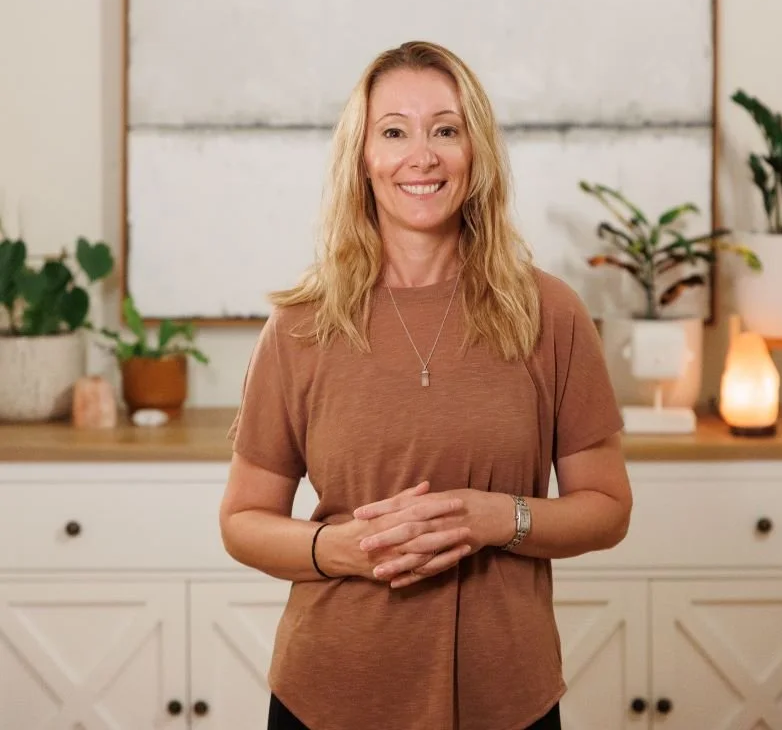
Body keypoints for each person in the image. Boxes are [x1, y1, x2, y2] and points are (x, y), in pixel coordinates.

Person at [220, 40, 632, 730]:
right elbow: (241, 521)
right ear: (364, 158)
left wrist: (498, 517)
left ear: (477, 154)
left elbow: (608, 508)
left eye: (446, 129)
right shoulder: (300, 325)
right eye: (394, 132)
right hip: (327, 696)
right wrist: (338, 549)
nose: (423, 155)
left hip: (508, 697)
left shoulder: (550, 312)